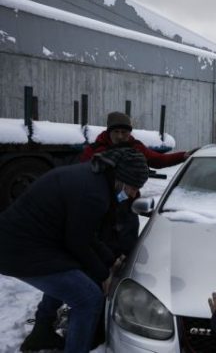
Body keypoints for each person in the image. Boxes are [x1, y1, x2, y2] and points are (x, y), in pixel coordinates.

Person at [0, 148, 149, 352]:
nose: (133, 194)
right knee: (88, 299)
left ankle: (41, 333)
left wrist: (109, 259)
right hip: (21, 250)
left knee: (72, 276)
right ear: (121, 179)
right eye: (133, 187)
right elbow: (78, 242)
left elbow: (86, 235)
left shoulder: (94, 176)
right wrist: (104, 274)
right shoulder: (94, 193)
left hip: (27, 243)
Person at [80, 111, 193, 256]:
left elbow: (158, 160)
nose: (120, 136)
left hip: (128, 206)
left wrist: (183, 156)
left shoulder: (136, 146)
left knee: (129, 245)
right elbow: (83, 174)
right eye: (116, 132)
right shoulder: (96, 150)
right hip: (104, 208)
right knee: (105, 246)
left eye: (124, 132)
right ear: (109, 132)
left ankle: (127, 266)